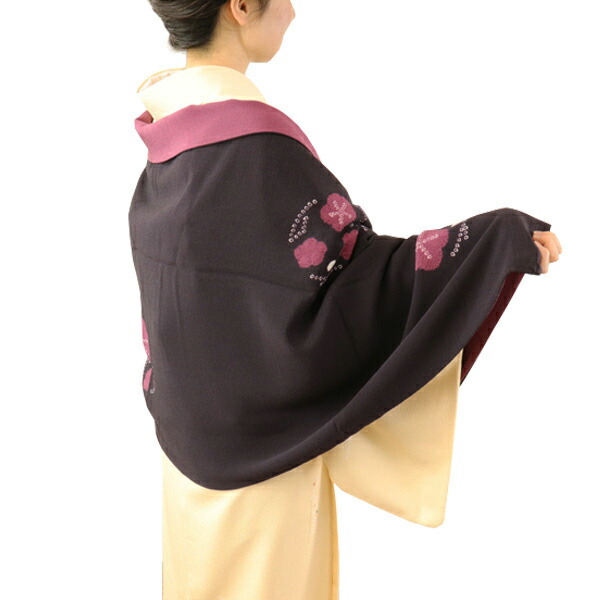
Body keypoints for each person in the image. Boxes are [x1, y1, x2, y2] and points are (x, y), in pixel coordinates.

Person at [131, 1, 562, 598]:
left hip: (187, 458)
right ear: (241, 6)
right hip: (264, 472)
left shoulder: (168, 136)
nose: (293, 10)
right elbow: (354, 284)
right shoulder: (257, 149)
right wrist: (492, 243)